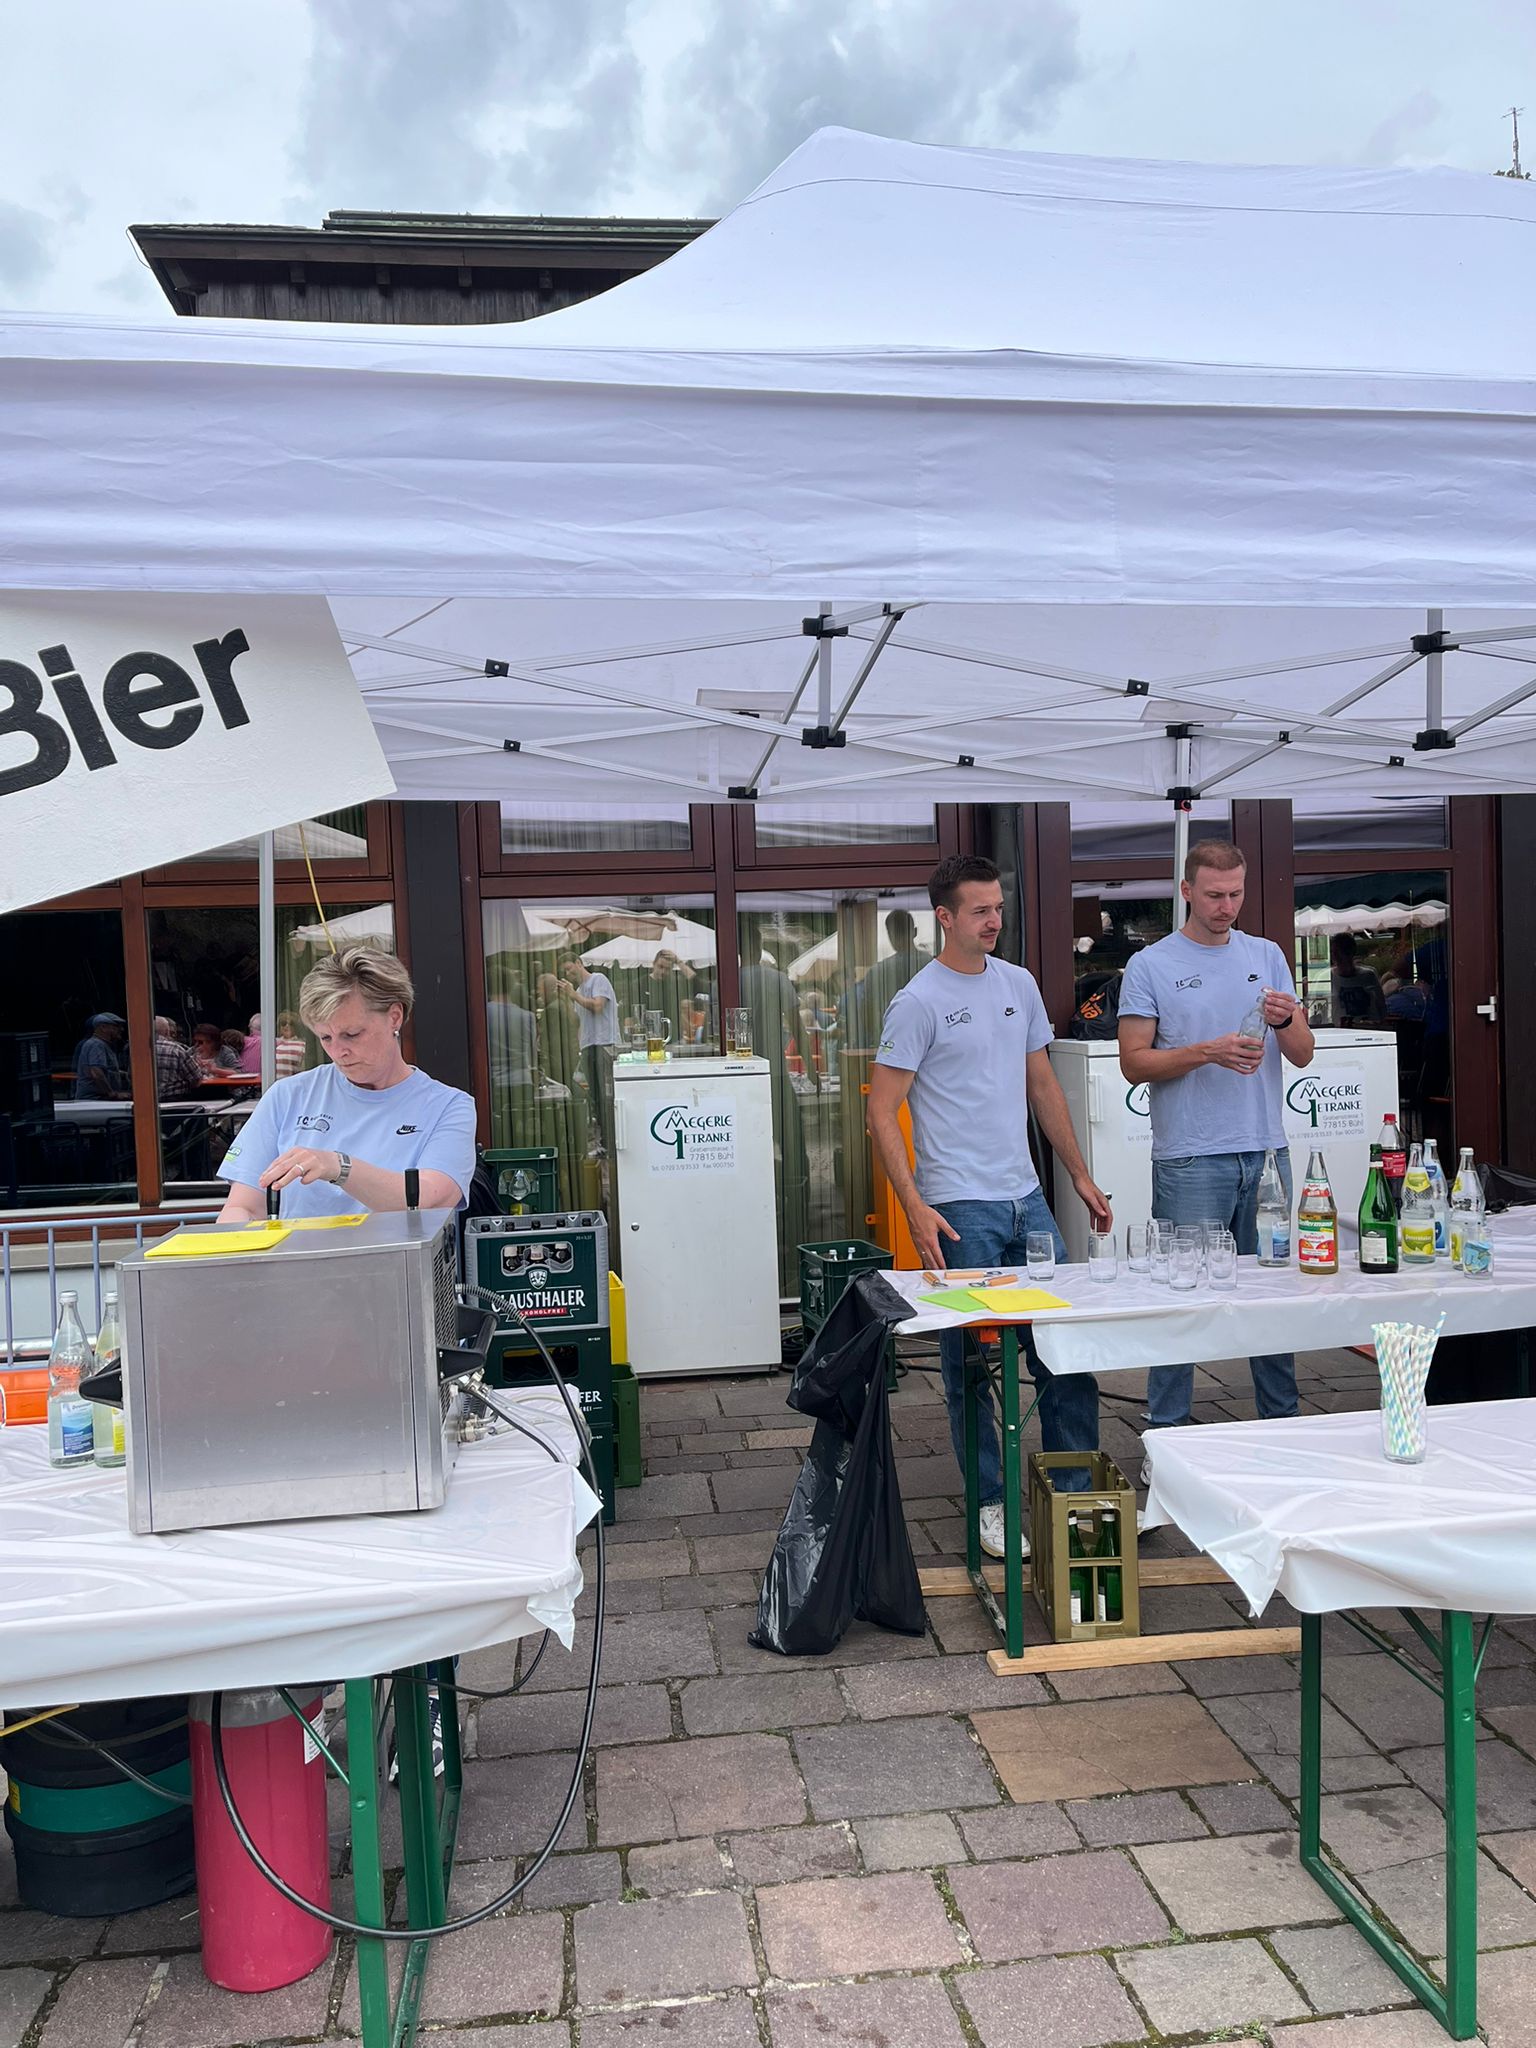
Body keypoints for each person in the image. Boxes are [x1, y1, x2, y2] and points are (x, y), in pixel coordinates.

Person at [868, 854, 1113, 1559]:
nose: (994, 919)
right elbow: (882, 1112)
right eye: (979, 909)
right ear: (943, 918)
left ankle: (1071, 1495)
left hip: (1027, 1200)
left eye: (997, 906)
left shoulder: (1020, 984)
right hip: (958, 1207)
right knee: (971, 1368)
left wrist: (1080, 1177)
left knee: (1065, 1351)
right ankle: (993, 1504)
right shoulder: (917, 1001)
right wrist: (914, 1206)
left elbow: (1042, 1086)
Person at [1118, 839, 1316, 1448]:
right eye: (1213, 895)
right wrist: (1207, 1050)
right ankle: (1168, 1438)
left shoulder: (1267, 954)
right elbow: (1132, 1063)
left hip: (1266, 1150)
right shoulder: (1150, 965)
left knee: (1272, 1295)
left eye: (1235, 894)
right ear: (1185, 891)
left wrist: (1286, 1021)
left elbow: (1304, 1054)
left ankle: (1282, 1428)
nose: (1226, 906)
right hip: (1191, 1155)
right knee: (1184, 1298)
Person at [217, 946, 475, 1220]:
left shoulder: (448, 1106)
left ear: (394, 1017)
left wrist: (339, 1166)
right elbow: (243, 1207)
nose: (338, 1051)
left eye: (351, 1034)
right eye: (325, 1038)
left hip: (397, 1262)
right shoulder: (288, 1095)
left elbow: (431, 1199)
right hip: (297, 1261)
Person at [847, 909, 930, 1049]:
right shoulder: (932, 966)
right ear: (914, 932)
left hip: (891, 1042)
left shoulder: (878, 971)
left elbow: (867, 1014)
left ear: (889, 935)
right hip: (929, 1042)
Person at [561, 955, 619, 1151]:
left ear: (579, 963)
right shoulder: (577, 991)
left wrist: (573, 996)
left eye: (570, 968)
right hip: (588, 1045)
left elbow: (597, 1006)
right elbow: (579, 1022)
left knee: (606, 1095)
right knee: (594, 1096)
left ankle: (613, 1140)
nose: (569, 973)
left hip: (605, 1043)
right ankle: (603, 1142)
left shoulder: (598, 979)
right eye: (566, 972)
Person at [1329, 935, 1387, 1024]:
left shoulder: (1369, 975)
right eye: (1333, 952)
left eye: (1341, 951)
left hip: (1368, 1029)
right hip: (1339, 1031)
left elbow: (1381, 1006)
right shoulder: (1328, 977)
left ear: (1351, 952)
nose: (1336, 955)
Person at [73, 1013, 129, 1100]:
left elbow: (107, 1069)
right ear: (103, 1027)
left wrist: (124, 1074)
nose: (121, 1029)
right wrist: (111, 1093)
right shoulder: (96, 1044)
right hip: (94, 1100)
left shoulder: (105, 1045)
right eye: (117, 1026)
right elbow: (96, 1073)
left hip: (100, 1099)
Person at [153, 1016, 203, 1098]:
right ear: (167, 1032)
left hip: (145, 1100)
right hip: (176, 1101)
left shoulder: (138, 1049)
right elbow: (197, 1079)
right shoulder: (175, 1049)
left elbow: (130, 1077)